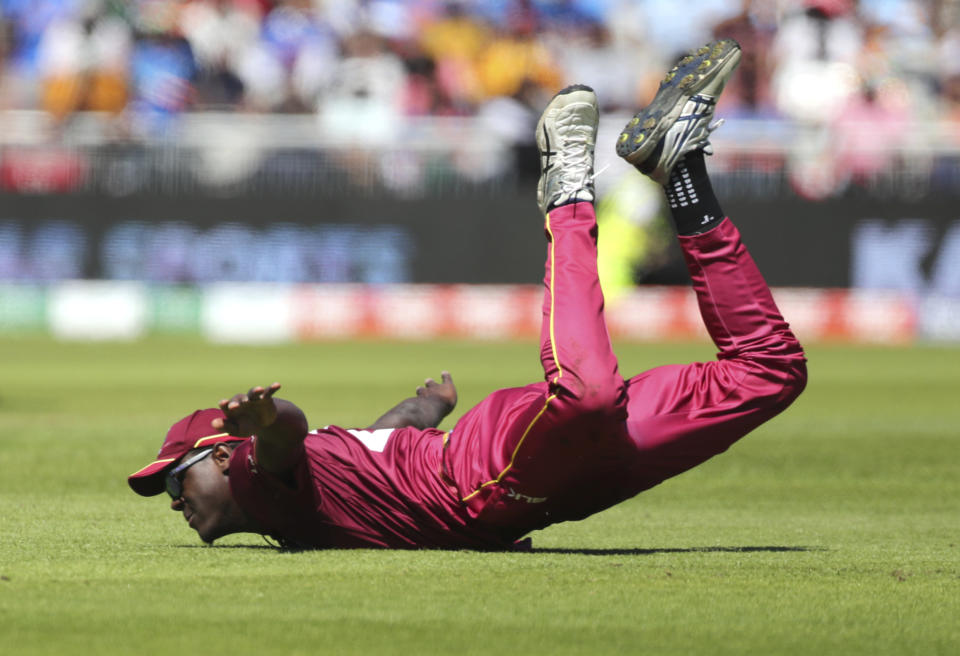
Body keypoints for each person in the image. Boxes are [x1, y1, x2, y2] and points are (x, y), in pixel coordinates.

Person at [128, 38, 807, 550]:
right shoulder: (297, 494)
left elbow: (288, 438)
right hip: (547, 477)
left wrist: (268, 423)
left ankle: (568, 195)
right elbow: (373, 447)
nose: (172, 501)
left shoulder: (257, 477)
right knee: (771, 372)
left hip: (487, 479)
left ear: (223, 454)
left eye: (173, 482)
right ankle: (681, 170)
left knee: (588, 395)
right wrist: (420, 410)